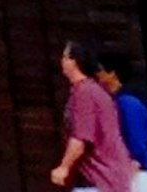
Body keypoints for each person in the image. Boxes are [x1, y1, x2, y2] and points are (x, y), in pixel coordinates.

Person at [53, 40, 135, 192]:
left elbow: (81, 138)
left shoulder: (85, 93)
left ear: (74, 61)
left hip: (101, 180)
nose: (61, 62)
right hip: (108, 179)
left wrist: (64, 167)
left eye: (65, 57)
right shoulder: (91, 91)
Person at [94, 47, 147, 183]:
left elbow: (137, 142)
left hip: (139, 176)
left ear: (112, 73)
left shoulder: (127, 103)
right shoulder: (117, 102)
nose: (96, 75)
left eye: (99, 70)